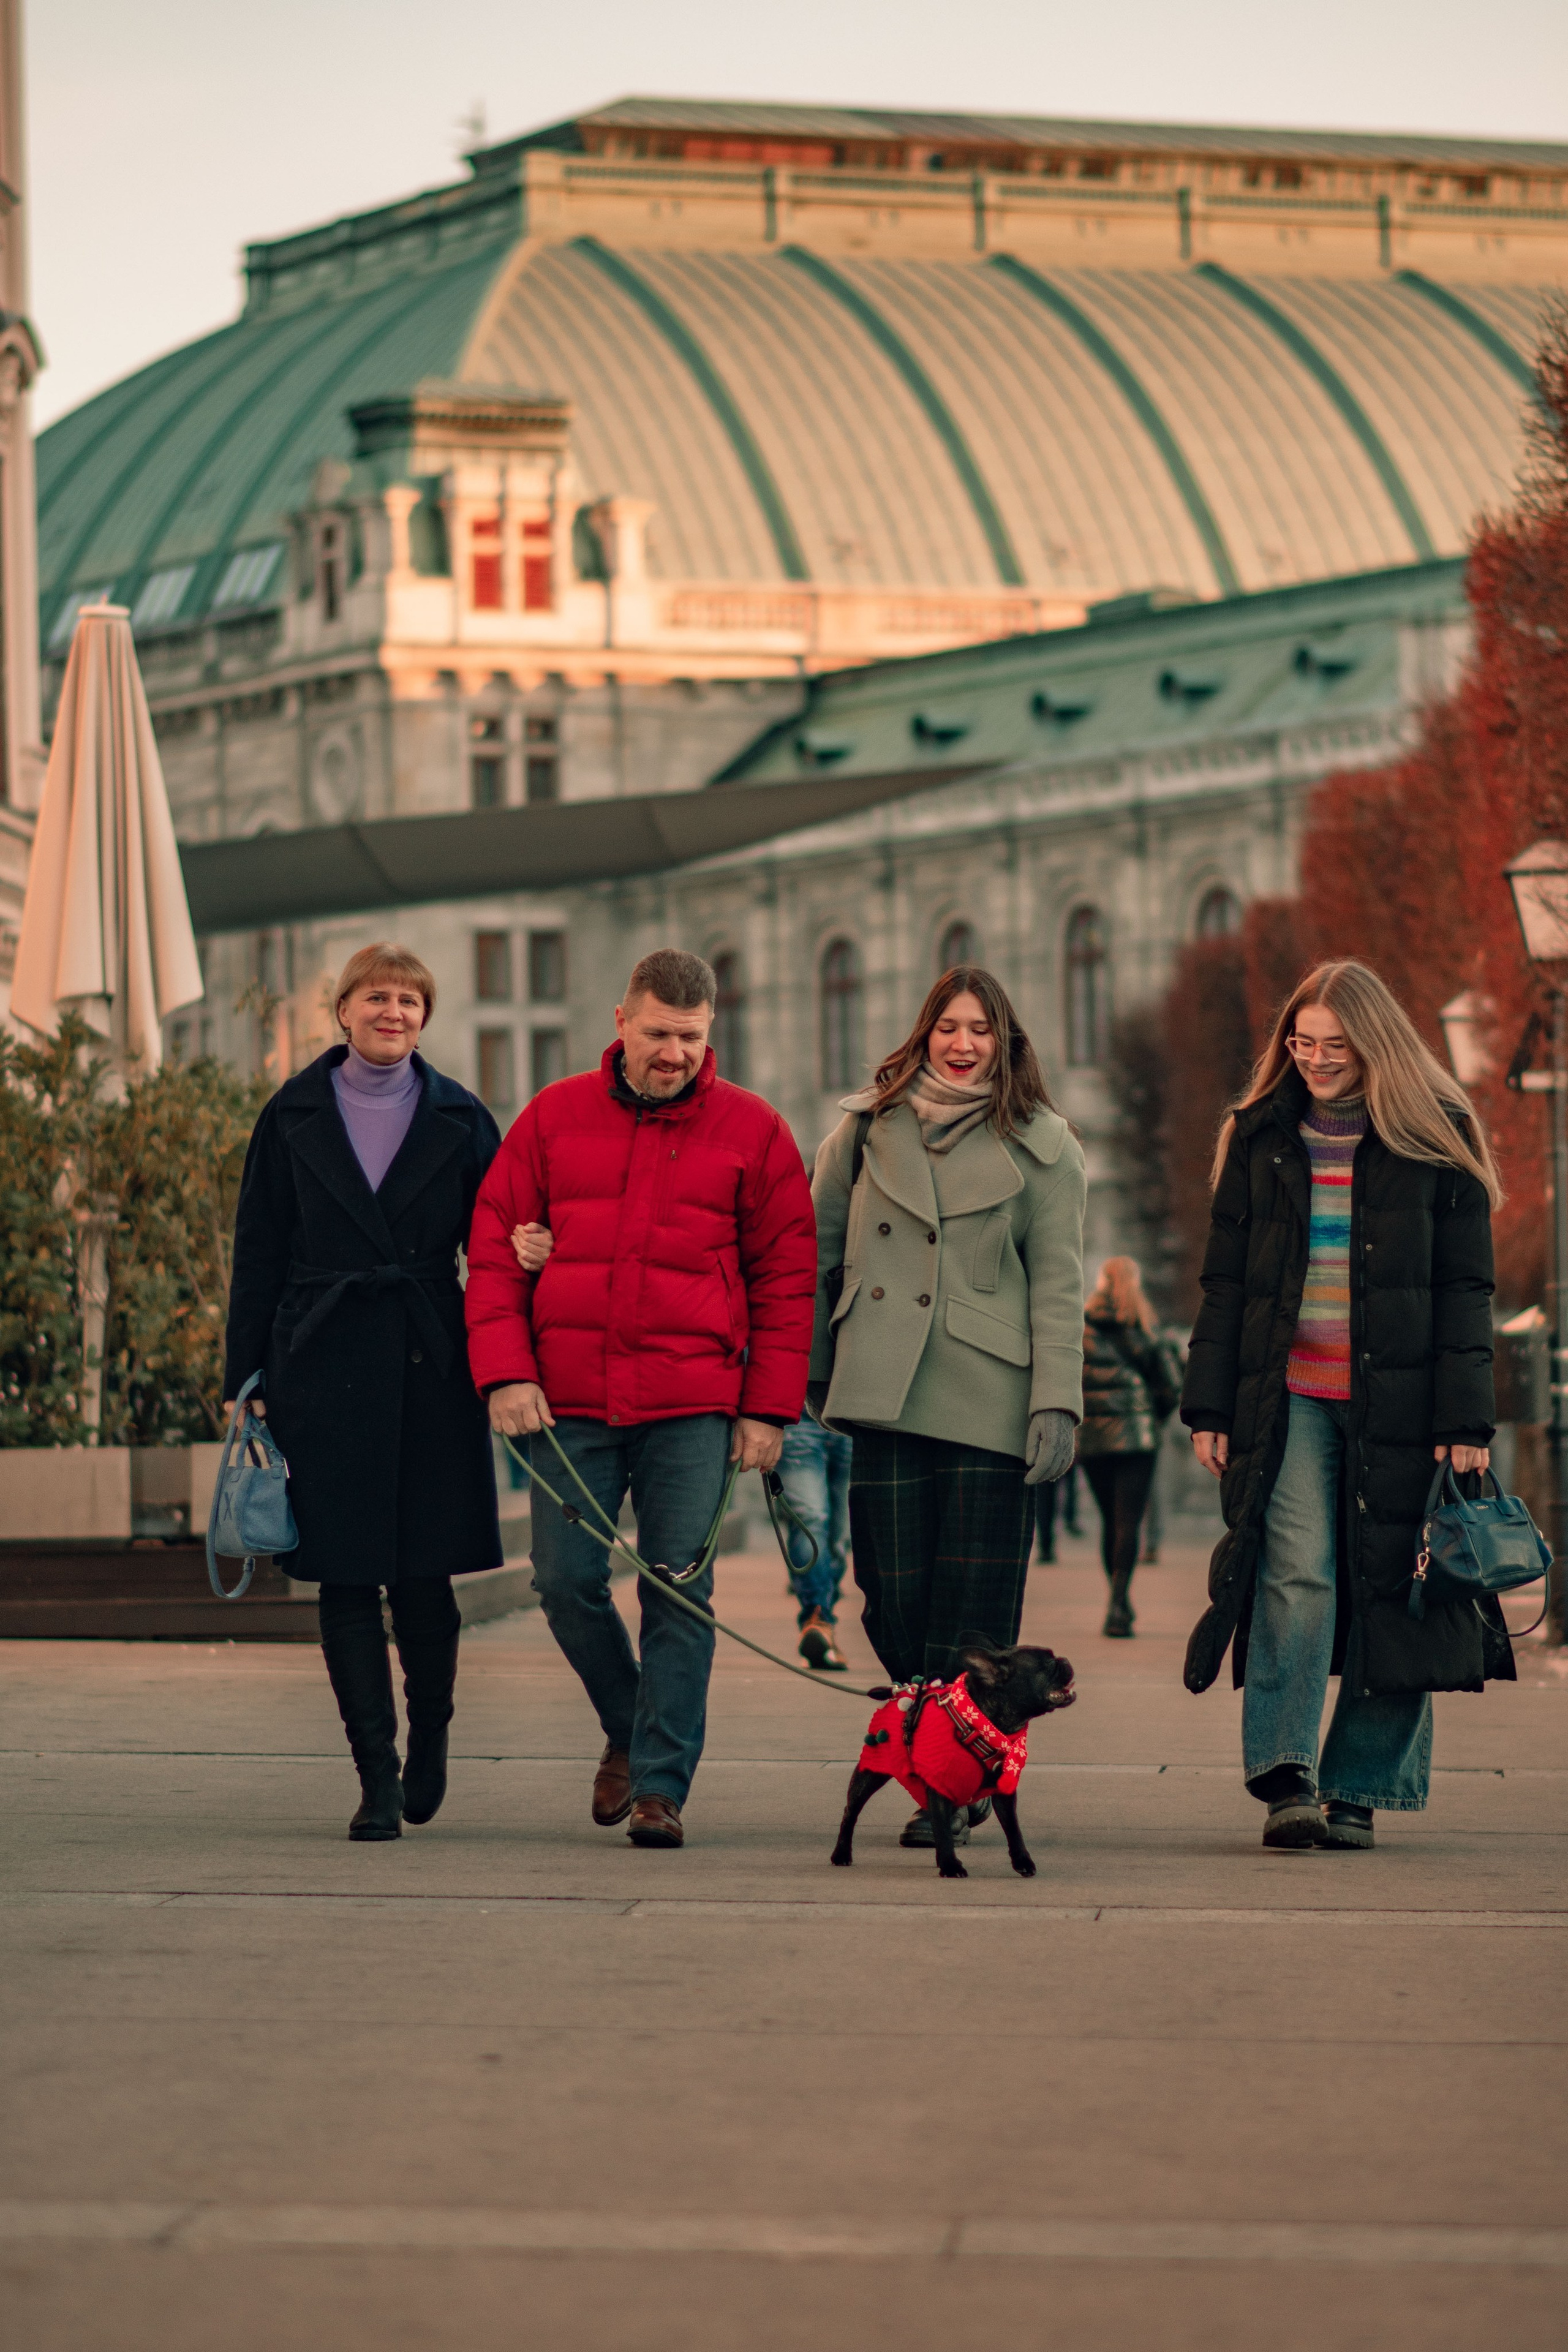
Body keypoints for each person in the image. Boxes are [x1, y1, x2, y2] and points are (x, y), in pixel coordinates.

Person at [464, 948, 816, 1851]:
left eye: (693, 1038)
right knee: (564, 1581)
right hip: (568, 1400)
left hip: (694, 1404)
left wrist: (768, 1410)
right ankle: (628, 1725)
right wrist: (506, 1372)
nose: (676, 1054)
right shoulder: (550, 1119)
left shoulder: (755, 1131)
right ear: (622, 1022)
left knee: (679, 1595)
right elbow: (498, 1246)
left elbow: (786, 1278)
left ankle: (660, 1786)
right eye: (660, 1034)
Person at [1182, 959, 1507, 1853]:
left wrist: (1465, 1423)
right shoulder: (1260, 1136)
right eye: (1303, 1041)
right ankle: (1289, 1773)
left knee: (1396, 1589)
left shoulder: (1436, 1136)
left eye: (1335, 1045)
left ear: (1375, 1044)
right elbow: (1226, 1286)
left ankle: (1361, 1785)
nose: (1316, 1059)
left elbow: (1464, 1290)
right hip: (1288, 1399)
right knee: (1299, 1572)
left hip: (1403, 1405)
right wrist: (1209, 1407)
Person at [224, 945, 503, 1841]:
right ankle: (374, 1776)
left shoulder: (461, 1114)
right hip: (320, 1361)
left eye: (410, 1000)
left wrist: (509, 1363)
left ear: (426, 1017)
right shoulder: (291, 1112)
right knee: (344, 1580)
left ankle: (430, 1743)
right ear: (341, 1010)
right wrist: (247, 1378)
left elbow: (496, 1250)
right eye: (376, 997)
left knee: (424, 1579)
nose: (394, 1012)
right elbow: (258, 1249)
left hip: (431, 1357)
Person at [809, 963, 1087, 1850]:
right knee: (890, 1599)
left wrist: (1058, 1401)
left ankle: (955, 1788)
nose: (963, 1046)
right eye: (948, 1028)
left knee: (973, 1610)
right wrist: (811, 1371)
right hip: (882, 1390)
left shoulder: (1043, 1143)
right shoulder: (861, 1130)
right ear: (924, 1033)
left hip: (989, 1396)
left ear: (1006, 1043)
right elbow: (815, 1254)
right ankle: (938, 1757)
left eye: (981, 1031)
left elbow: (1058, 1284)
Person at [1078, 1256, 1180, 1638]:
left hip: (1093, 1437)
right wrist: (1154, 1414)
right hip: (1137, 1438)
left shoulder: (1081, 1327)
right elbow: (1171, 1387)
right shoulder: (1145, 1326)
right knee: (1128, 1521)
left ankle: (1116, 1598)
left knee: (1109, 1521)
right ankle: (1119, 1601)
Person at [775, 1415, 854, 1669]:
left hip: (850, 1422)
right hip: (806, 1416)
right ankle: (818, 1616)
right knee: (812, 1521)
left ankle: (820, 1621)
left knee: (837, 1532)